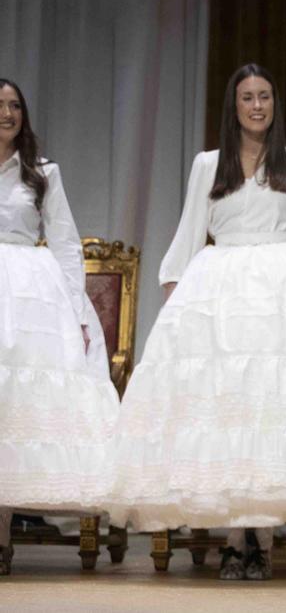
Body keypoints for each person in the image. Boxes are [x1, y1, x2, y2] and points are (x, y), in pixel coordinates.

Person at [104, 64, 286, 581]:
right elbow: (189, 236)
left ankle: (263, 539)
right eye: (247, 97)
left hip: (284, 291)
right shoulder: (207, 165)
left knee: (272, 411)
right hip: (222, 293)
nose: (257, 106)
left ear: (274, 104)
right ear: (233, 106)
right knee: (228, 412)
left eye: (264, 96)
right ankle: (235, 540)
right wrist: (179, 310)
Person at [0, 78, 120, 575]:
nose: (7, 113)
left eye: (14, 106)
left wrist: (78, 310)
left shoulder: (42, 172)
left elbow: (67, 244)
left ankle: (1, 537)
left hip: (28, 295)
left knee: (18, 413)